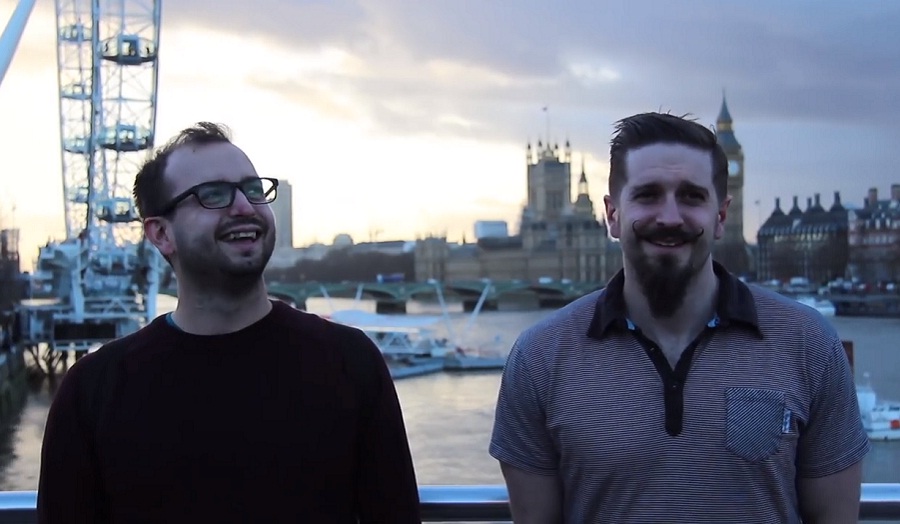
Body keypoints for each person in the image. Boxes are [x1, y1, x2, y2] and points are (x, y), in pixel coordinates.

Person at [489, 112, 870, 523]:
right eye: (648, 195)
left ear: (721, 216)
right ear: (612, 216)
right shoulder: (540, 358)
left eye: (691, 196)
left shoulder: (809, 344)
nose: (670, 217)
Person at [37, 122, 421, 523]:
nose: (244, 206)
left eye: (253, 189)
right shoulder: (91, 392)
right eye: (213, 195)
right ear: (161, 234)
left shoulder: (352, 361)